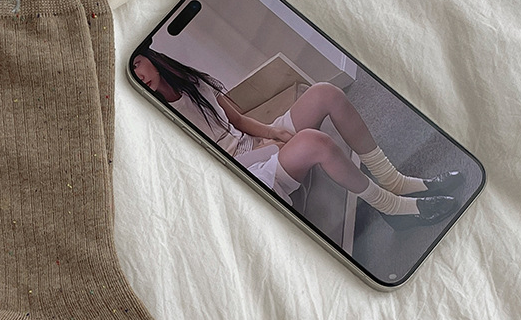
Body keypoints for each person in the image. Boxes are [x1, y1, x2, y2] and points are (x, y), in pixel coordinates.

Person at [131, 47, 463, 227]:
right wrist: (265, 152)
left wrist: (272, 133)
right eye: (132, 75)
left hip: (252, 146)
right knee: (315, 143)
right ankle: (389, 206)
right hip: (241, 171)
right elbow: (210, 169)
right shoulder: (157, 118)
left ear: (152, 57)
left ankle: (393, 180)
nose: (139, 75)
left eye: (138, 64)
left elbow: (238, 121)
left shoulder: (193, 82)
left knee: (325, 93)